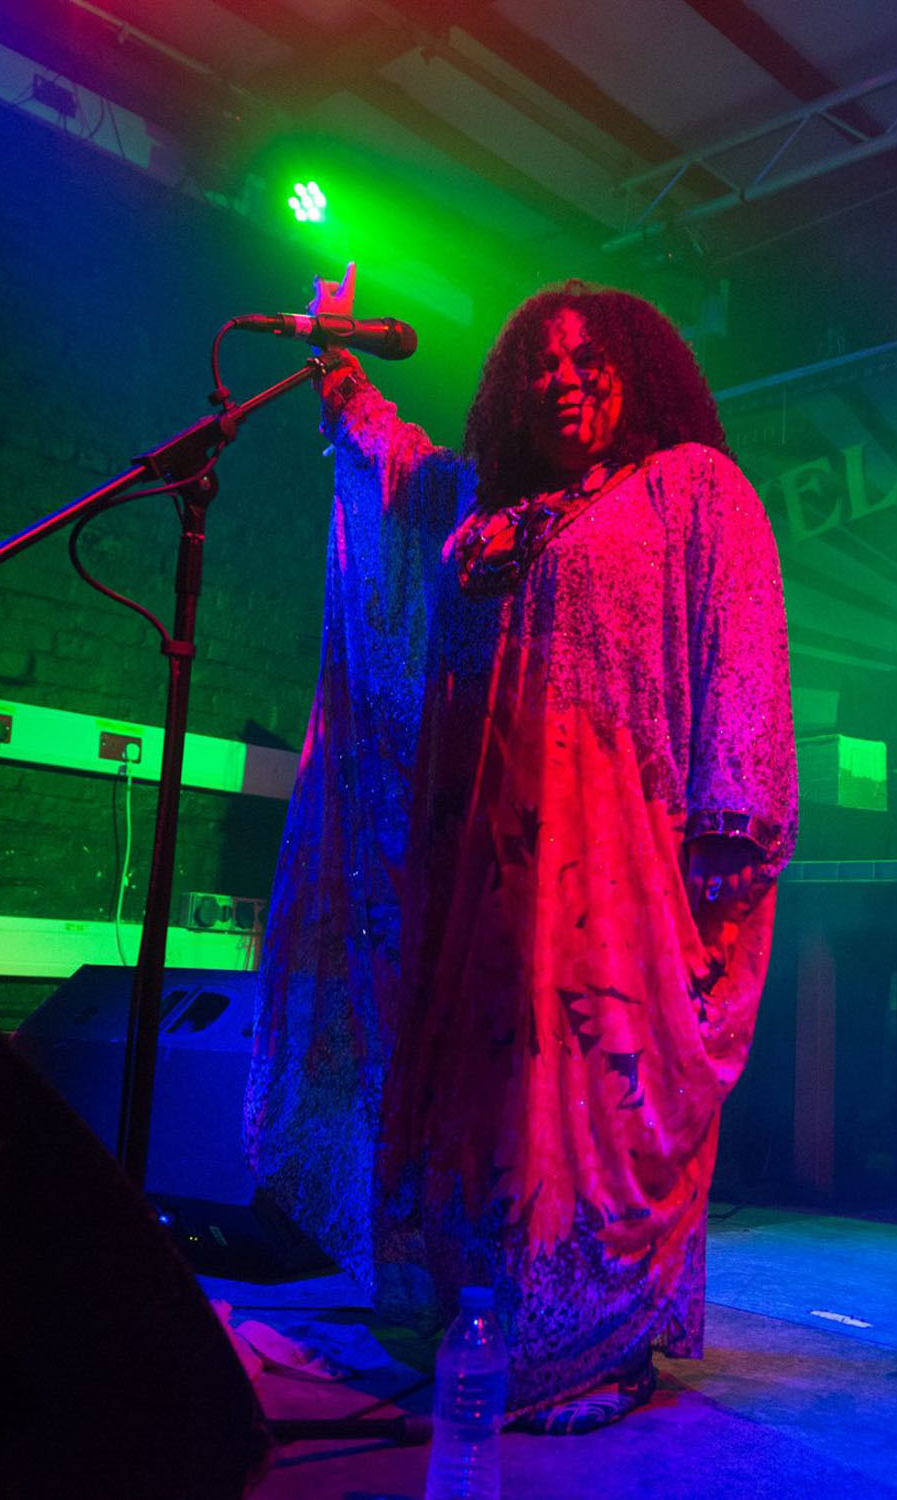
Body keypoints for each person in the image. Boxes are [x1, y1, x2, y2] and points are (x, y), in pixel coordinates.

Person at [244, 266, 796, 1433]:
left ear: (639, 373)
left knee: (585, 1100)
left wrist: (732, 827)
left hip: (612, 867)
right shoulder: (474, 510)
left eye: (588, 359)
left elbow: (740, 656)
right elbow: (392, 486)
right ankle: (483, 1317)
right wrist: (337, 370)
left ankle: (592, 1342)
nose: (563, 378)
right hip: (472, 868)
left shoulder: (688, 490)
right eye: (540, 365)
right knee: (487, 1097)